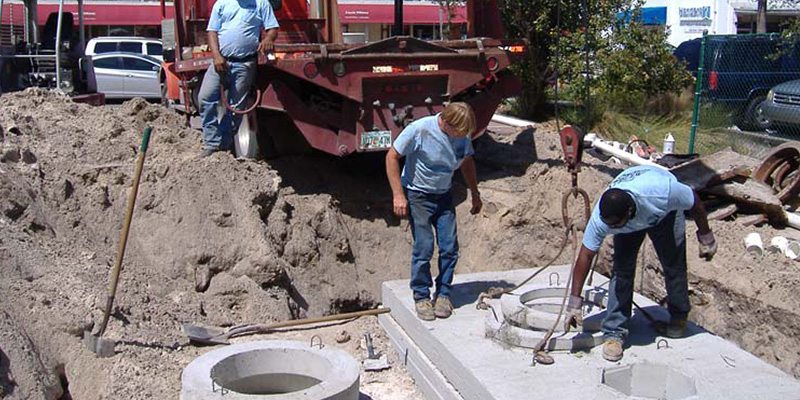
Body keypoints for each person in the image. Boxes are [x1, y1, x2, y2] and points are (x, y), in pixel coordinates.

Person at [564, 165, 717, 361]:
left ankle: (678, 318)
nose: (611, 229)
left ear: (629, 212)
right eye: (609, 225)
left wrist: (706, 236)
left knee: (674, 265)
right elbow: (585, 256)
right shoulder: (602, 219)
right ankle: (614, 332)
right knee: (622, 271)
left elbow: (694, 201)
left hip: (663, 214)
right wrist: (574, 303)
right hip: (630, 220)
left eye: (615, 225)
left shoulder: (663, 193)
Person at [385, 102, 483, 321]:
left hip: (444, 195)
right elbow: (392, 156)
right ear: (446, 123)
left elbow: (467, 162)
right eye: (458, 132)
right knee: (424, 245)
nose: (461, 137)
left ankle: (443, 294)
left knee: (449, 246)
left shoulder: (462, 135)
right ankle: (421, 295)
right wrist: (398, 195)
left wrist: (475, 193)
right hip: (418, 195)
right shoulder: (420, 130)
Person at [197, 0, 279, 157]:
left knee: (237, 108)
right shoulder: (222, 4)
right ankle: (211, 142)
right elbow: (212, 32)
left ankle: (223, 146)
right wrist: (216, 56)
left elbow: (272, 28)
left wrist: (268, 39)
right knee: (205, 98)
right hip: (221, 61)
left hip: (245, 64)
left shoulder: (261, 4)